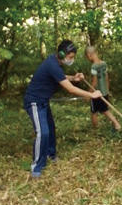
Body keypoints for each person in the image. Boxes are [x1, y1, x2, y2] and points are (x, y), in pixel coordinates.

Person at [24, 40, 102, 178]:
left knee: (51, 130)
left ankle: (51, 155)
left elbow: (60, 77)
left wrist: (74, 77)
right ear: (61, 54)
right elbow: (70, 90)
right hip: (34, 102)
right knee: (43, 133)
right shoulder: (52, 64)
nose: (72, 60)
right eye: (70, 57)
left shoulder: (55, 64)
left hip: (43, 101)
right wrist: (92, 94)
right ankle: (37, 167)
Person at [85, 46, 121, 132]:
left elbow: (94, 83)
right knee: (105, 110)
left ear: (89, 55)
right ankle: (117, 125)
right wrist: (107, 90)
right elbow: (107, 78)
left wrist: (88, 94)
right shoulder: (104, 63)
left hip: (96, 93)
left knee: (94, 112)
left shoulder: (94, 67)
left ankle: (95, 129)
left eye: (87, 57)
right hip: (104, 92)